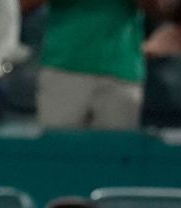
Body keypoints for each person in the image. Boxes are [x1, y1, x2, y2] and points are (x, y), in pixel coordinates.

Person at [24, 0, 160, 130]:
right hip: (63, 69)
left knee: (116, 151)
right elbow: (22, 6)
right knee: (58, 149)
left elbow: (159, 11)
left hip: (121, 72)